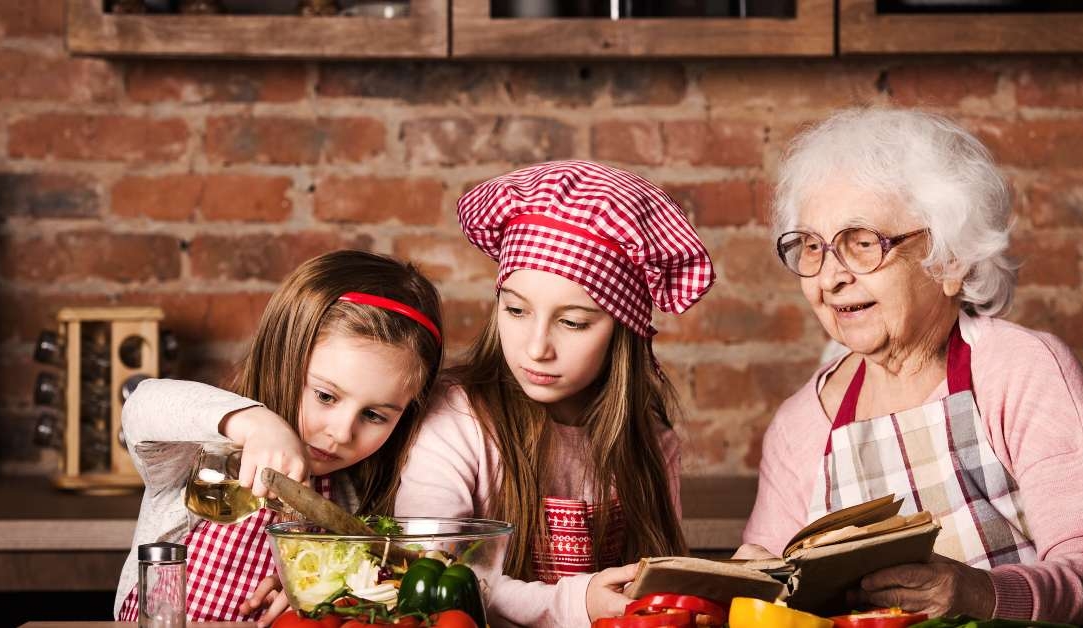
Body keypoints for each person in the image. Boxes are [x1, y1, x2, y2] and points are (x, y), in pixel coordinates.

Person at [735, 108, 1083, 625]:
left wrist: (982, 594)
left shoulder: (1020, 373)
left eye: (861, 244)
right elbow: (766, 588)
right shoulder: (800, 427)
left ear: (950, 261)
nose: (830, 277)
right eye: (813, 247)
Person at [395, 160, 715, 627]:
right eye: (517, 309)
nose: (536, 347)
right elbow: (428, 570)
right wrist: (574, 603)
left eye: (572, 322)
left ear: (622, 331)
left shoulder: (649, 439)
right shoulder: (458, 420)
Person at [113, 250, 444, 625]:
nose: (341, 432)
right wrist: (256, 424)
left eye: (373, 415)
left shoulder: (356, 495)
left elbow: (377, 580)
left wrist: (325, 587)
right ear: (280, 358)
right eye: (325, 396)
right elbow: (143, 403)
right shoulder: (202, 449)